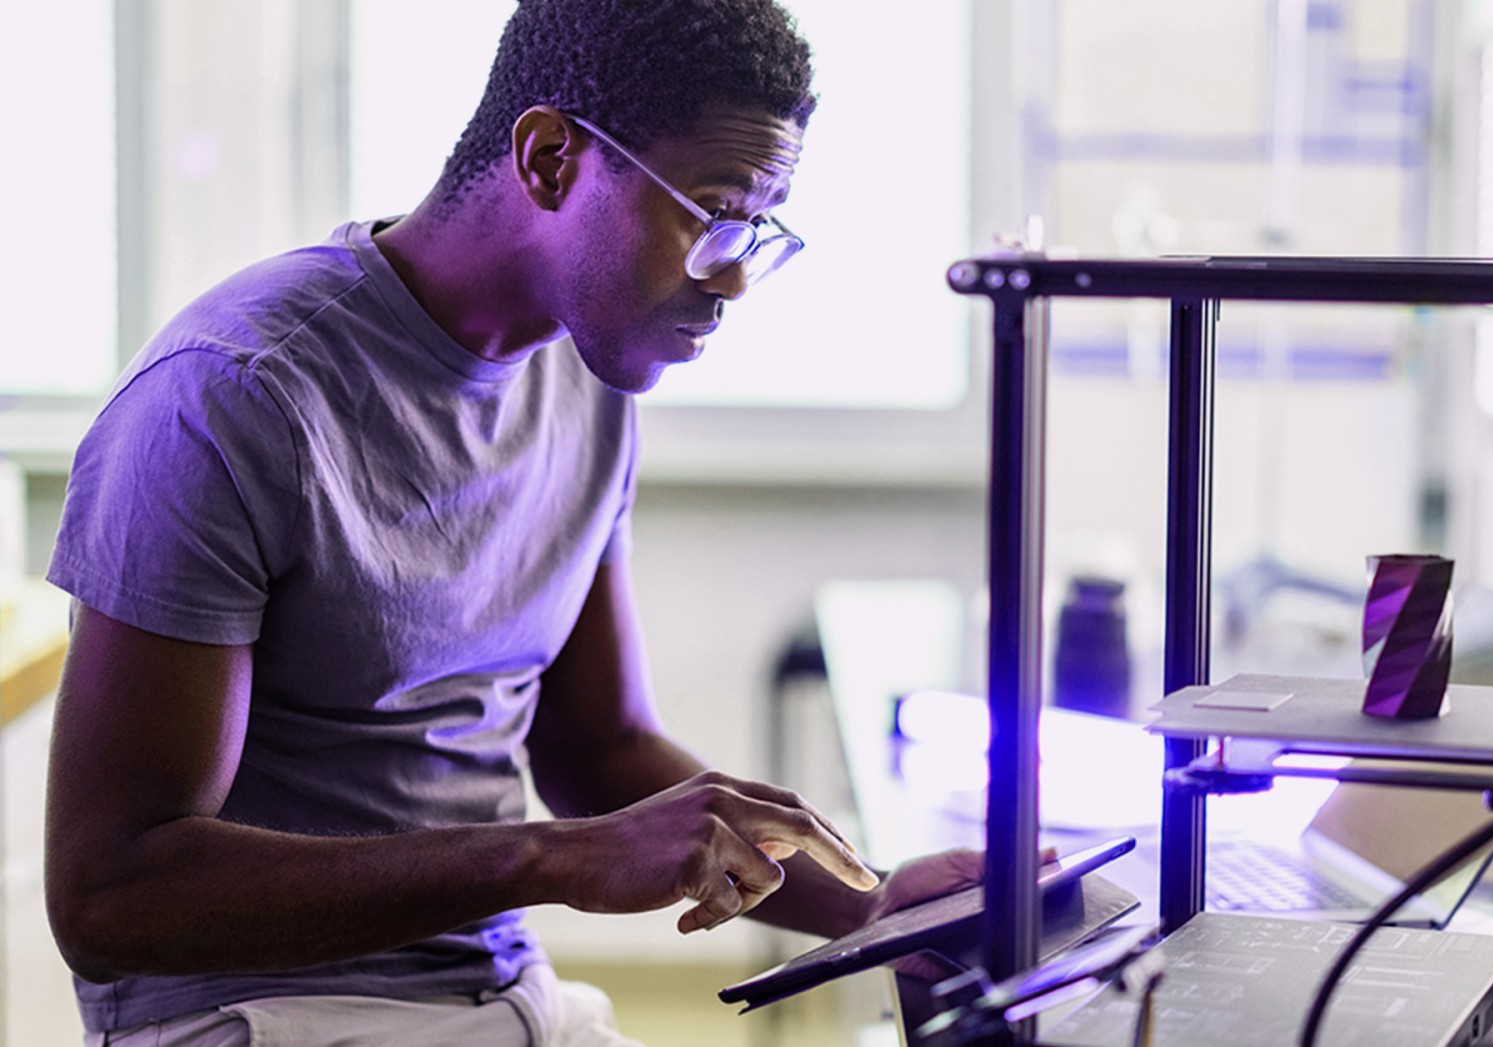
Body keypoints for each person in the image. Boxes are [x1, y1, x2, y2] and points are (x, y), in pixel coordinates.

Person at [43, 2, 979, 1043]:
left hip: (501, 996)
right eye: (712, 215)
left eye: (758, 231)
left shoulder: (587, 379)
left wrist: (877, 903)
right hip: (264, 1009)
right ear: (547, 160)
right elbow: (109, 898)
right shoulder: (233, 399)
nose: (731, 280)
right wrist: (552, 859)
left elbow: (597, 746)